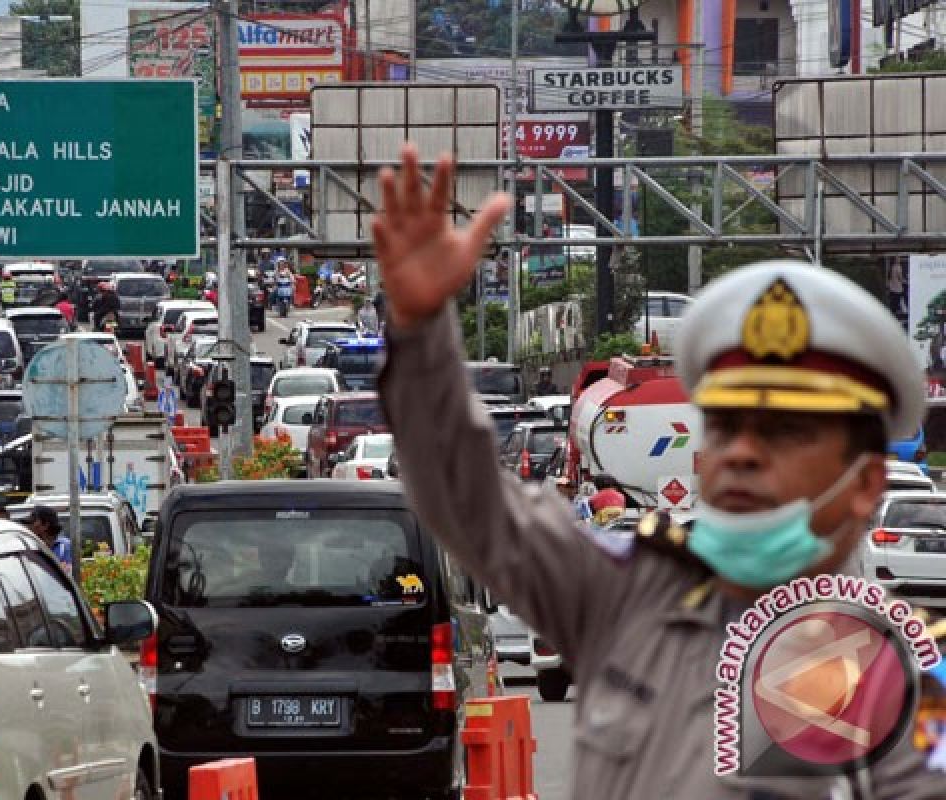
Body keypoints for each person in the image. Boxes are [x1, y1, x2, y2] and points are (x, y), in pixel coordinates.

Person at [372, 143, 945, 796]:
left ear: (865, 482)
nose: (740, 452)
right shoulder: (630, 592)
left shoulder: (907, 683)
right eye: (724, 426)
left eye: (784, 432)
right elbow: (470, 504)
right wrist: (419, 331)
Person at [26, 505, 72, 572]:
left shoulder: (64, 545)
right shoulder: (30, 545)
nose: (30, 526)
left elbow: (69, 572)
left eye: (33, 521)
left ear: (45, 525)